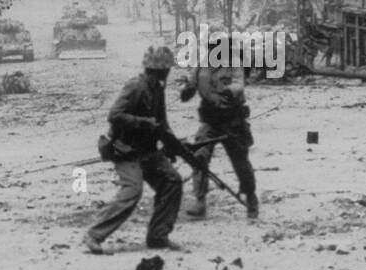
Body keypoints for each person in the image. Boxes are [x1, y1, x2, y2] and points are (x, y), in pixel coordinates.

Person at [84, 46, 183, 254]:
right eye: (165, 69)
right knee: (132, 190)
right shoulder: (135, 87)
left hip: (148, 152)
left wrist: (175, 146)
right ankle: (94, 234)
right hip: (126, 151)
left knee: (172, 181)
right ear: (157, 70)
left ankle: (158, 236)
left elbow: (162, 123)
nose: (167, 72)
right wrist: (143, 123)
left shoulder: (158, 89)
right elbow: (114, 115)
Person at [180, 45, 258, 219]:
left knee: (240, 161)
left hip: (232, 121)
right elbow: (189, 88)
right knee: (199, 157)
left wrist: (227, 90)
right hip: (210, 121)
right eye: (212, 47)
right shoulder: (201, 65)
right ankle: (200, 201)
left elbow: (239, 84)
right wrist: (187, 88)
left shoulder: (234, 63)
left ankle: (251, 198)